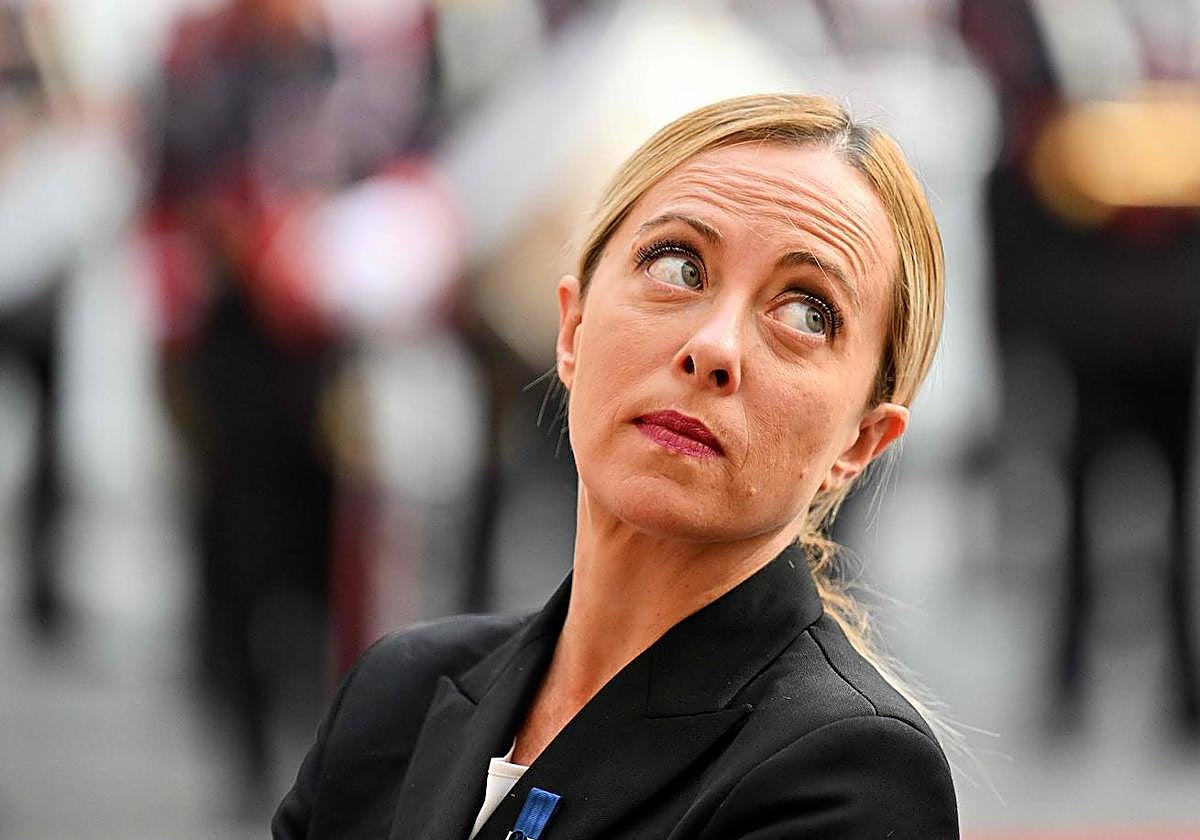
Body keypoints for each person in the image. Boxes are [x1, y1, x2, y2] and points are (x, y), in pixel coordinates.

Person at [273, 93, 959, 838]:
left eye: (806, 313)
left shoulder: (847, 778)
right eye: (679, 265)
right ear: (571, 327)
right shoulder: (395, 697)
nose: (714, 347)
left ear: (860, 443)